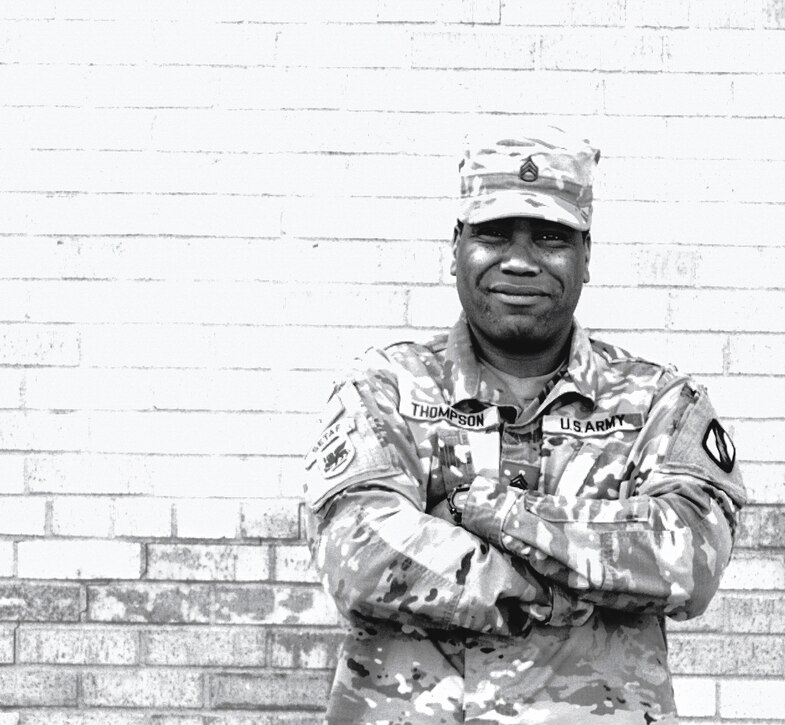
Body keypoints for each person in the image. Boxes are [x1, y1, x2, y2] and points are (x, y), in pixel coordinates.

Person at [303, 125, 747, 724]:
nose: (519, 260)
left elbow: (688, 558)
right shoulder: (385, 389)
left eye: (549, 237)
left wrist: (493, 513)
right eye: (493, 235)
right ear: (456, 245)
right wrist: (573, 581)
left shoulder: (660, 404)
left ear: (585, 256)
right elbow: (359, 556)